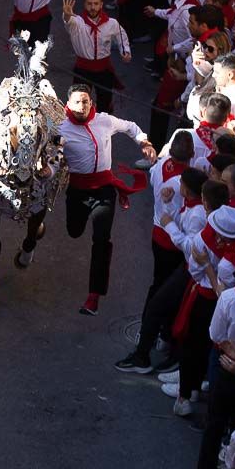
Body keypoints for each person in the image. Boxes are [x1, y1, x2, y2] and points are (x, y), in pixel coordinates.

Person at [60, 83, 156, 315]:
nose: (81, 106)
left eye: (85, 101)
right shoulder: (60, 129)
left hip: (104, 189)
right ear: (68, 105)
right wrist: (49, 165)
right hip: (78, 192)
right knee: (74, 231)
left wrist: (145, 142)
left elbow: (131, 127)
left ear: (91, 103)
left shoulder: (104, 120)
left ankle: (94, 295)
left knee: (102, 239)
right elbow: (52, 158)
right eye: (77, 102)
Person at [62, 0, 131, 113]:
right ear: (84, 4)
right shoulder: (77, 22)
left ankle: (101, 130)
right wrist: (67, 15)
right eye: (89, 4)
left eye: (95, 3)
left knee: (104, 104)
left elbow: (122, 36)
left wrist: (125, 51)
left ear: (101, 4)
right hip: (83, 70)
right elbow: (68, 21)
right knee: (79, 106)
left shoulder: (112, 23)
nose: (92, 7)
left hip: (104, 70)